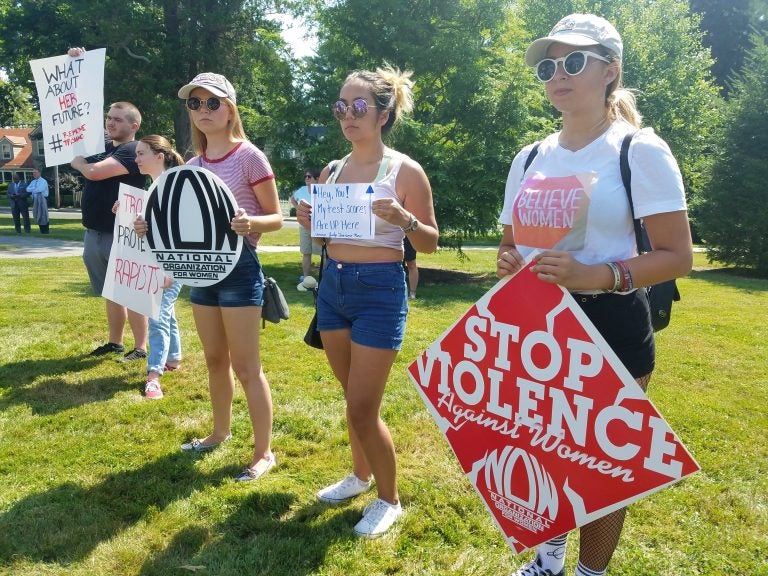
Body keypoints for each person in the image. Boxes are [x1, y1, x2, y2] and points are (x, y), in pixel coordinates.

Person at [496, 14, 692, 576]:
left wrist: (596, 276)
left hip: (612, 324)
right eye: (549, 65)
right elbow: (510, 245)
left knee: (603, 466)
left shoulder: (639, 150)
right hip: (536, 323)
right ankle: (549, 557)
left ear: (611, 69)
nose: (559, 74)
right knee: (542, 449)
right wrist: (509, 261)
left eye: (575, 61)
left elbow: (678, 255)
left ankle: (590, 572)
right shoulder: (529, 157)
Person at [296, 65, 439, 537]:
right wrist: (308, 218)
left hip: (380, 288)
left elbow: (431, 243)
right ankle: (360, 476)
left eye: (359, 107)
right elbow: (323, 236)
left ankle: (390, 498)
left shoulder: (405, 170)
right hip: (333, 285)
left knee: (362, 406)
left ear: (384, 113)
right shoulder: (333, 170)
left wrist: (406, 220)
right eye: (341, 106)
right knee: (351, 396)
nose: (348, 116)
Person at [176, 72, 282, 483]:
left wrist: (250, 221)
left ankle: (263, 452)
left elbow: (277, 218)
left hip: (240, 268)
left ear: (230, 109)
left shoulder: (249, 156)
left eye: (212, 102)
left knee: (247, 367)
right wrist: (153, 224)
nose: (203, 110)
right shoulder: (193, 164)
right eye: (195, 103)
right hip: (201, 270)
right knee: (214, 360)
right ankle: (219, 433)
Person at [67, 48, 149, 360]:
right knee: (110, 291)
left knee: (131, 292)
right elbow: (75, 112)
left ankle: (140, 347)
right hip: (96, 231)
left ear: (133, 125)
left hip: (123, 231)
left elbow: (93, 171)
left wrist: (78, 164)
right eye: (108, 118)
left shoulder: (132, 151)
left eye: (117, 119)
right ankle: (115, 342)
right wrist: (78, 64)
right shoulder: (98, 145)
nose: (110, 122)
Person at [132, 135, 185, 400]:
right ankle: (173, 358)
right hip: (159, 263)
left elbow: (176, 230)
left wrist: (169, 269)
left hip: (168, 265)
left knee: (157, 317)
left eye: (141, 153)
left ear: (159, 157)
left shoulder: (169, 186)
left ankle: (154, 376)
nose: (137, 159)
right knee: (167, 311)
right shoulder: (156, 185)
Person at [289, 168, 322, 289]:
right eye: (306, 177)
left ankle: (323, 278)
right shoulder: (302, 190)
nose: (306, 179)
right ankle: (306, 278)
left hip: (317, 226)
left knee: (321, 253)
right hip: (304, 226)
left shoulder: (321, 190)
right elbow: (292, 198)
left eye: (309, 177)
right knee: (306, 252)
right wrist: (298, 209)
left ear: (317, 179)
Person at [26, 168, 50, 234]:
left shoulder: (43, 181)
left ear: (39, 173)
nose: (34, 174)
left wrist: (33, 189)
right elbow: (27, 189)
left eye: (35, 172)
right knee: (37, 214)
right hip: (35, 201)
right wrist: (34, 188)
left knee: (43, 215)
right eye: (33, 172)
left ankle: (46, 231)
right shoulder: (33, 182)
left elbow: (40, 189)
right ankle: (41, 230)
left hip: (42, 200)